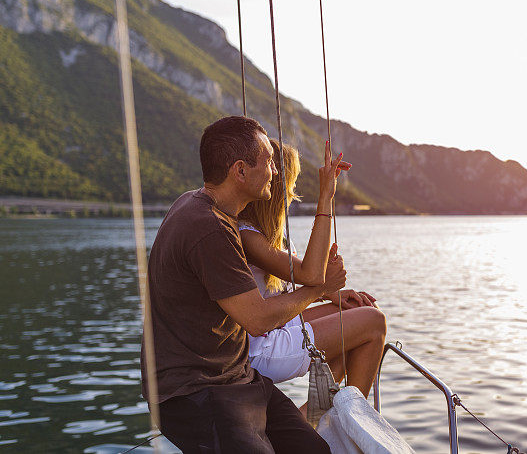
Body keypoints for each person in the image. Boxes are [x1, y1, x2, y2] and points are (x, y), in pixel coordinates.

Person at [142, 116, 339, 453]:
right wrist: (319, 291)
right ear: (240, 171)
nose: (276, 174)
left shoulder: (203, 207)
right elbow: (258, 319)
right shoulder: (208, 228)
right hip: (194, 391)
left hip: (235, 377)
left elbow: (308, 273)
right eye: (268, 163)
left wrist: (327, 196)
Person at [238, 140, 387, 404]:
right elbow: (311, 275)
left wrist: (329, 296)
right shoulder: (248, 236)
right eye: (293, 183)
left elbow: (288, 289)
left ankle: (315, 416)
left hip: (274, 327)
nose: (294, 192)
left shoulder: (272, 236)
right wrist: (326, 197)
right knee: (374, 323)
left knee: (353, 312)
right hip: (261, 348)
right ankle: (350, 417)